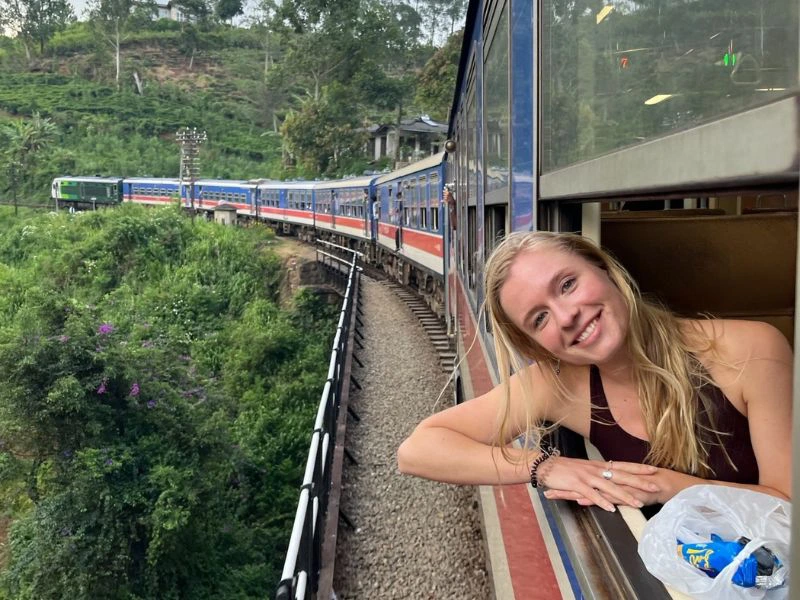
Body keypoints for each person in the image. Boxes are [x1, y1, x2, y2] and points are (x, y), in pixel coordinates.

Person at [397, 231, 792, 510]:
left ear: (602, 268)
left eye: (567, 284)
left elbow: (787, 503)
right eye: (539, 319)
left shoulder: (750, 350)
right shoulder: (558, 386)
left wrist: (673, 488)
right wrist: (544, 466)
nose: (567, 316)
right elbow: (417, 450)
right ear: (535, 345)